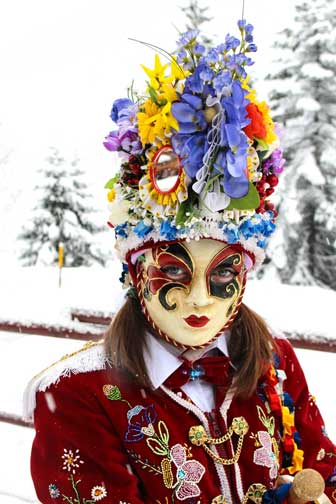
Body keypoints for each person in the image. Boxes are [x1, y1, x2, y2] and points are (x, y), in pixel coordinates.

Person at [24, 21, 336, 504]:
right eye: (172, 270)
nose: (198, 297)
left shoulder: (271, 361)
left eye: (224, 273)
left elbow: (323, 467)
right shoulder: (77, 396)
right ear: (135, 271)